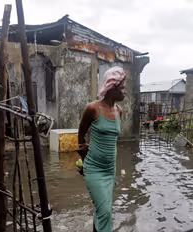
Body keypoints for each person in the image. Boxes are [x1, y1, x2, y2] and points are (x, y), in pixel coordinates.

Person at [77, 66, 126, 232]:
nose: (125, 91)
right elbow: (81, 135)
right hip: (94, 169)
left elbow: (109, 142)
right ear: (112, 88)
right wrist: (84, 162)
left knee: (103, 211)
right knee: (105, 212)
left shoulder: (119, 111)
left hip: (109, 170)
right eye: (122, 87)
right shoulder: (93, 108)